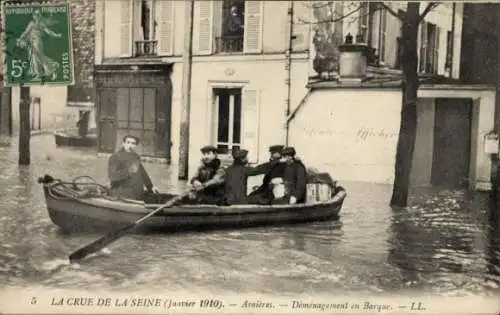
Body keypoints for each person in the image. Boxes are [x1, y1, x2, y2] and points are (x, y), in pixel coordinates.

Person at [108, 135, 159, 200]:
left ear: (135, 146)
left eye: (133, 143)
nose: (130, 145)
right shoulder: (115, 157)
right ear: (123, 143)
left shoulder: (135, 157)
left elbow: (142, 172)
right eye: (128, 142)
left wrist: (151, 186)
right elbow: (112, 176)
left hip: (137, 192)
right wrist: (129, 171)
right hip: (122, 193)